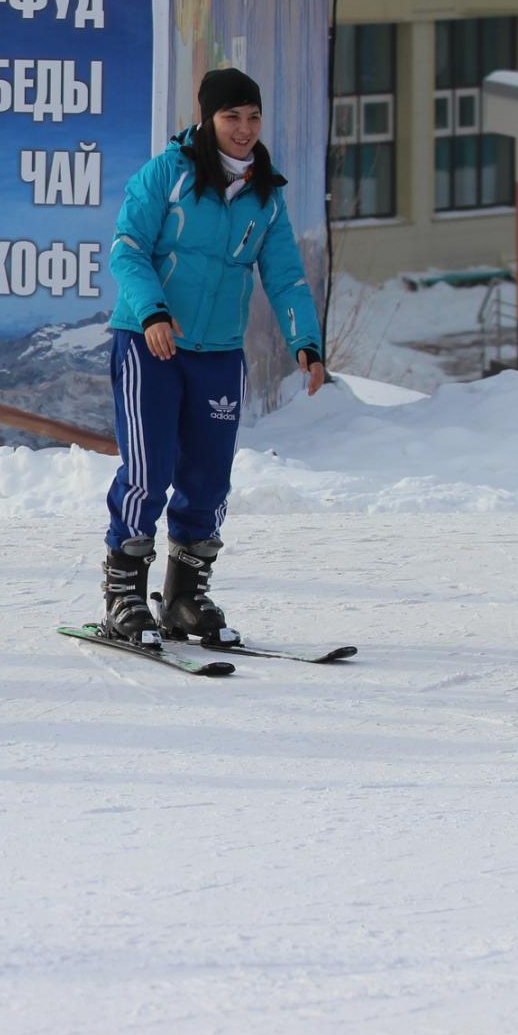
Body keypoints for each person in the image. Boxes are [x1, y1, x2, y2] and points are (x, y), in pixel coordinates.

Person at [99, 67, 326, 647]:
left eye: (253, 117)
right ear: (208, 119)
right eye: (232, 117)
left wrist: (306, 341)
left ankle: (183, 597)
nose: (244, 129)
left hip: (218, 351)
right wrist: (151, 312)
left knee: (208, 478)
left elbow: (286, 276)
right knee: (148, 472)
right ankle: (123, 596)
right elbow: (127, 248)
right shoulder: (166, 174)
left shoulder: (264, 194)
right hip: (151, 342)